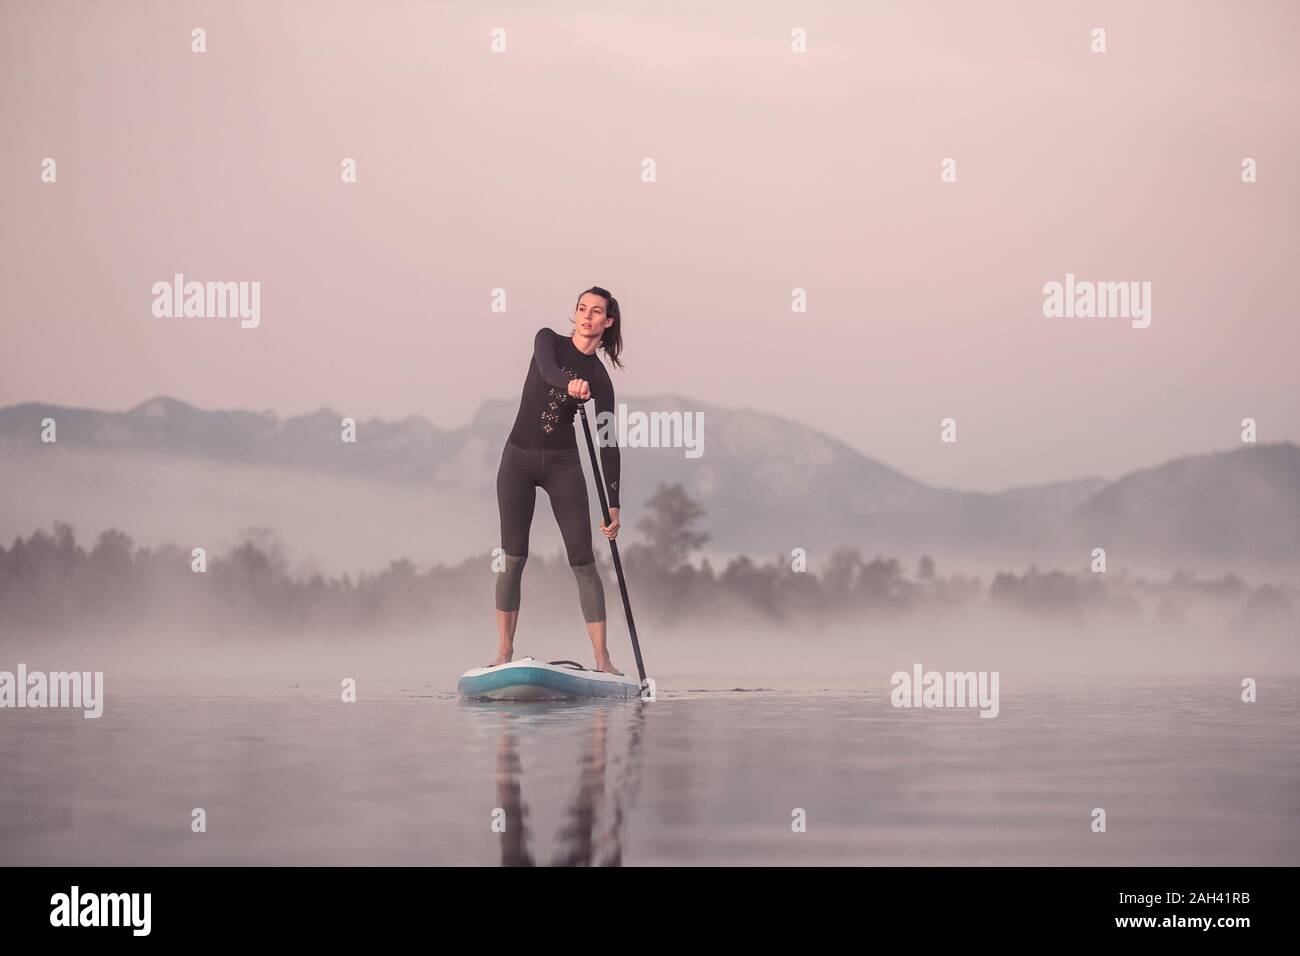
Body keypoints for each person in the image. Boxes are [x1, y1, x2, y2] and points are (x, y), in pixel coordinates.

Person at [490, 287, 624, 674]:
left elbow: (607, 441)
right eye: (582, 308)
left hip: (563, 465)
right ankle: (504, 652)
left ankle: (603, 660)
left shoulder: (600, 379)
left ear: (607, 321)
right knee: (512, 559)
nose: (586, 316)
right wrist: (570, 384)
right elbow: (549, 371)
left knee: (583, 561)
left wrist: (613, 503)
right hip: (518, 461)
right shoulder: (547, 340)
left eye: (596, 311)